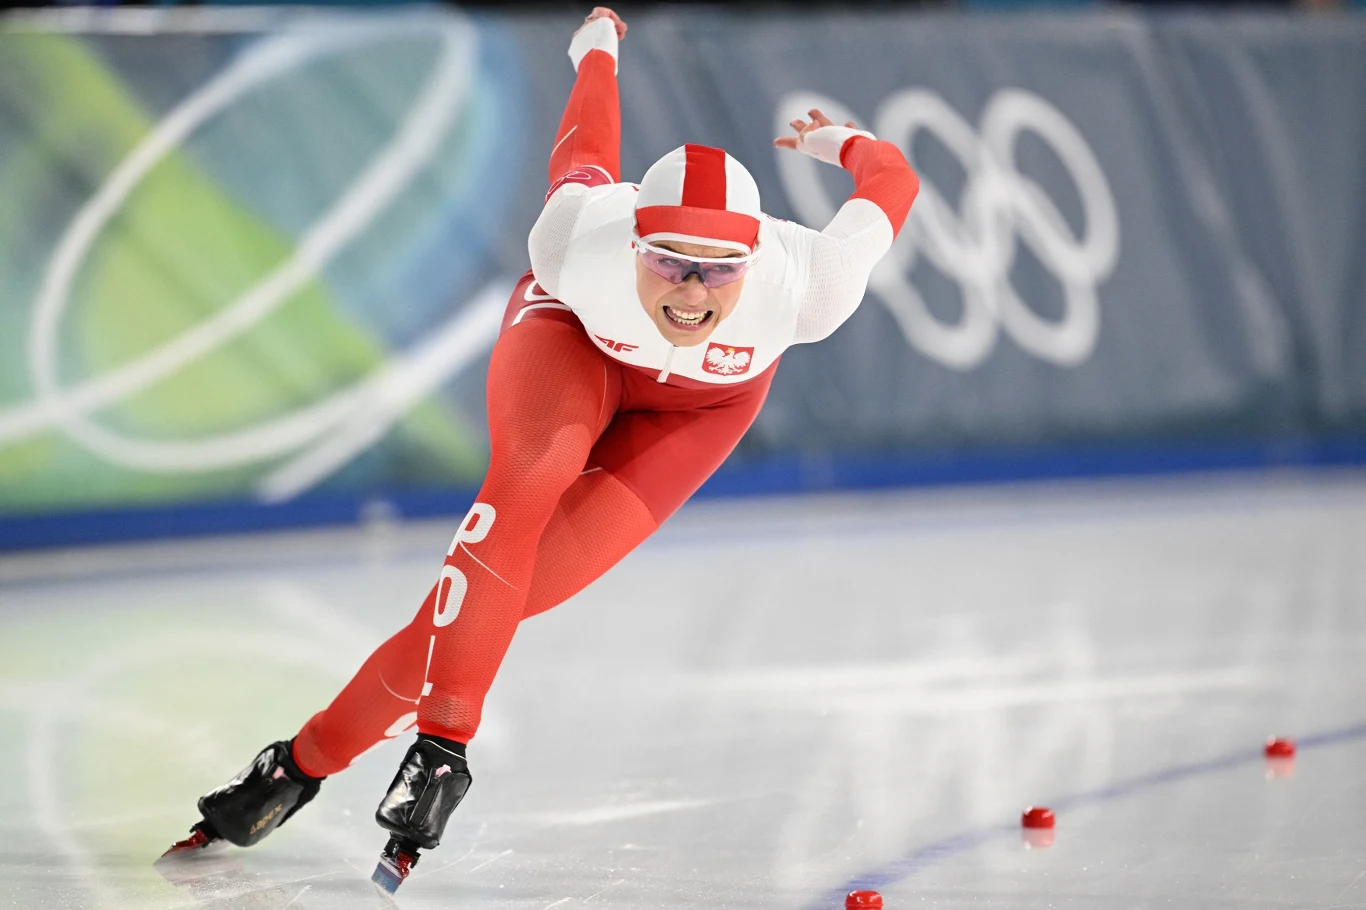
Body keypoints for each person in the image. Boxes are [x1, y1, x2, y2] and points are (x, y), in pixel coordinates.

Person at [164, 4, 918, 884]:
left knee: (499, 601)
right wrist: (595, 47)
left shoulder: (812, 285)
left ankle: (294, 766)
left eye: (718, 269)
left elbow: (892, 181)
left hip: (698, 414)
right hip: (574, 343)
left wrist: (842, 142)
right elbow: (586, 140)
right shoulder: (578, 241)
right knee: (524, 485)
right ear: (632, 237)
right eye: (668, 259)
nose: (691, 292)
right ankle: (444, 745)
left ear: (754, 262)